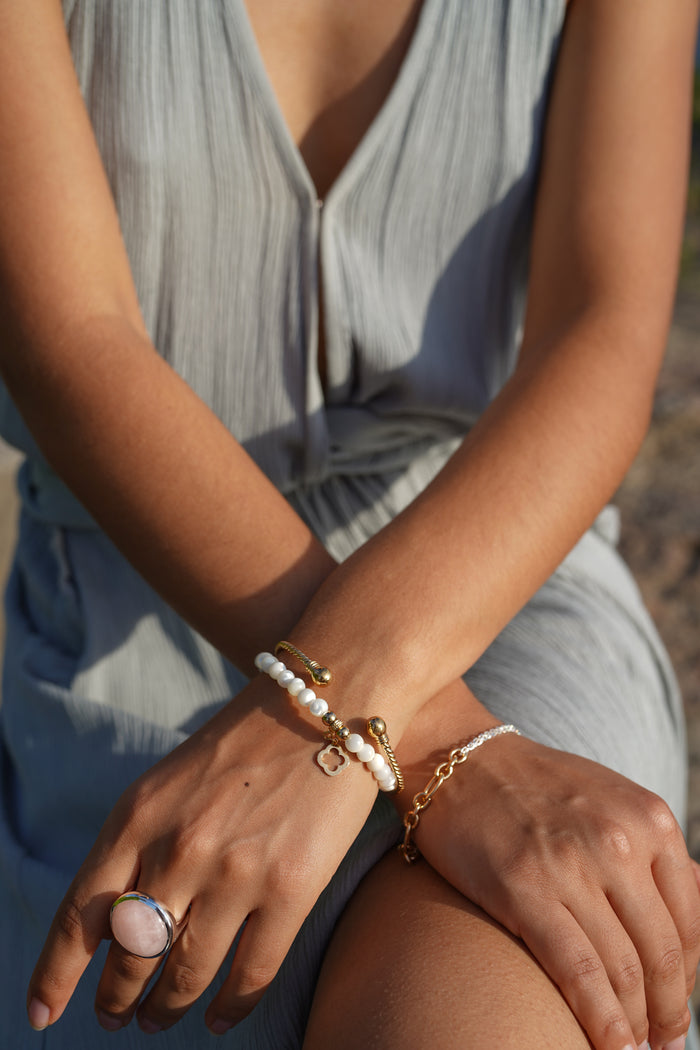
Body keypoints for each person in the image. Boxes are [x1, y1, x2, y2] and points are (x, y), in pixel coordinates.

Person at [0, 0, 699, 1047]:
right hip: (131, 611)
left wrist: (347, 702)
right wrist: (448, 750)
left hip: (491, 567)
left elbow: (598, 329)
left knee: (482, 987)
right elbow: (72, 341)